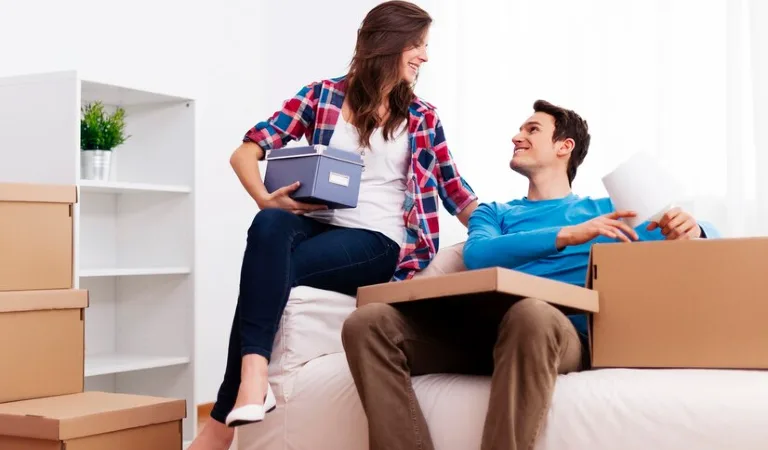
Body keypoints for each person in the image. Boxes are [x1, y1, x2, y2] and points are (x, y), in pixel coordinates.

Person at [341, 100, 719, 450]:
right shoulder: (495, 213)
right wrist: (566, 235)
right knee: (368, 323)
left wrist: (694, 229)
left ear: (563, 146)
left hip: (557, 335)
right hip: (484, 333)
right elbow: (478, 254)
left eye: (532, 129)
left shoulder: (607, 210)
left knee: (531, 312)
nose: (516, 136)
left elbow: (713, 241)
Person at [189, 2, 478, 449]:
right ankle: (254, 377)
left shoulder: (422, 117)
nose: (424, 56)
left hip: (378, 241)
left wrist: (508, 229)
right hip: (320, 223)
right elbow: (245, 152)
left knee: (268, 273)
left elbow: (456, 192)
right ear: (388, 43)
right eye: (417, 45)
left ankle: (219, 426)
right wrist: (267, 197)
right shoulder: (322, 95)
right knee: (269, 223)